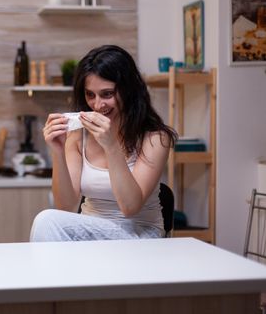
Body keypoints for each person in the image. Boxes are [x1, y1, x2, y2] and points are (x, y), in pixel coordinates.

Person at [30, 45, 177, 242]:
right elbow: (65, 207)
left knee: (46, 221)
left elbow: (130, 207)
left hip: (139, 235)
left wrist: (111, 146)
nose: (98, 105)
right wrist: (57, 152)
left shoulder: (155, 138)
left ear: (128, 90)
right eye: (90, 95)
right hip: (89, 234)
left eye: (107, 94)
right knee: (47, 220)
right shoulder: (78, 135)